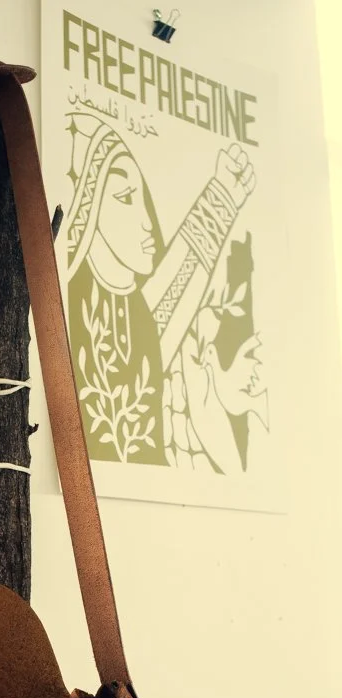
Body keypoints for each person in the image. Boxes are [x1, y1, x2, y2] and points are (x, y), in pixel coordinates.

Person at [67, 108, 258, 471]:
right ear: (87, 210)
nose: (147, 221)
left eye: (143, 198)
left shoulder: (136, 316)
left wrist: (223, 195)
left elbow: (170, 298)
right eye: (125, 197)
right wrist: (221, 197)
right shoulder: (69, 309)